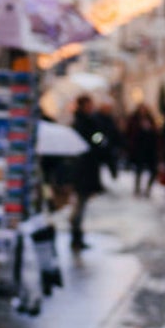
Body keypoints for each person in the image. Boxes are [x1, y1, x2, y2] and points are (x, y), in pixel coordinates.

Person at [68, 94, 108, 252]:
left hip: (85, 168)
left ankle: (77, 236)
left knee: (81, 203)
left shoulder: (86, 121)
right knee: (79, 204)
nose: (92, 107)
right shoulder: (82, 122)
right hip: (83, 169)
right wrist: (98, 140)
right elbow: (93, 139)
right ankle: (76, 236)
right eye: (89, 104)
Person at [126, 103, 160, 196]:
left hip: (150, 149)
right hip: (139, 149)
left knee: (153, 170)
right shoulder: (133, 120)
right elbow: (129, 133)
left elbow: (156, 133)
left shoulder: (150, 119)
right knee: (139, 170)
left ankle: (148, 189)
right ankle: (137, 188)